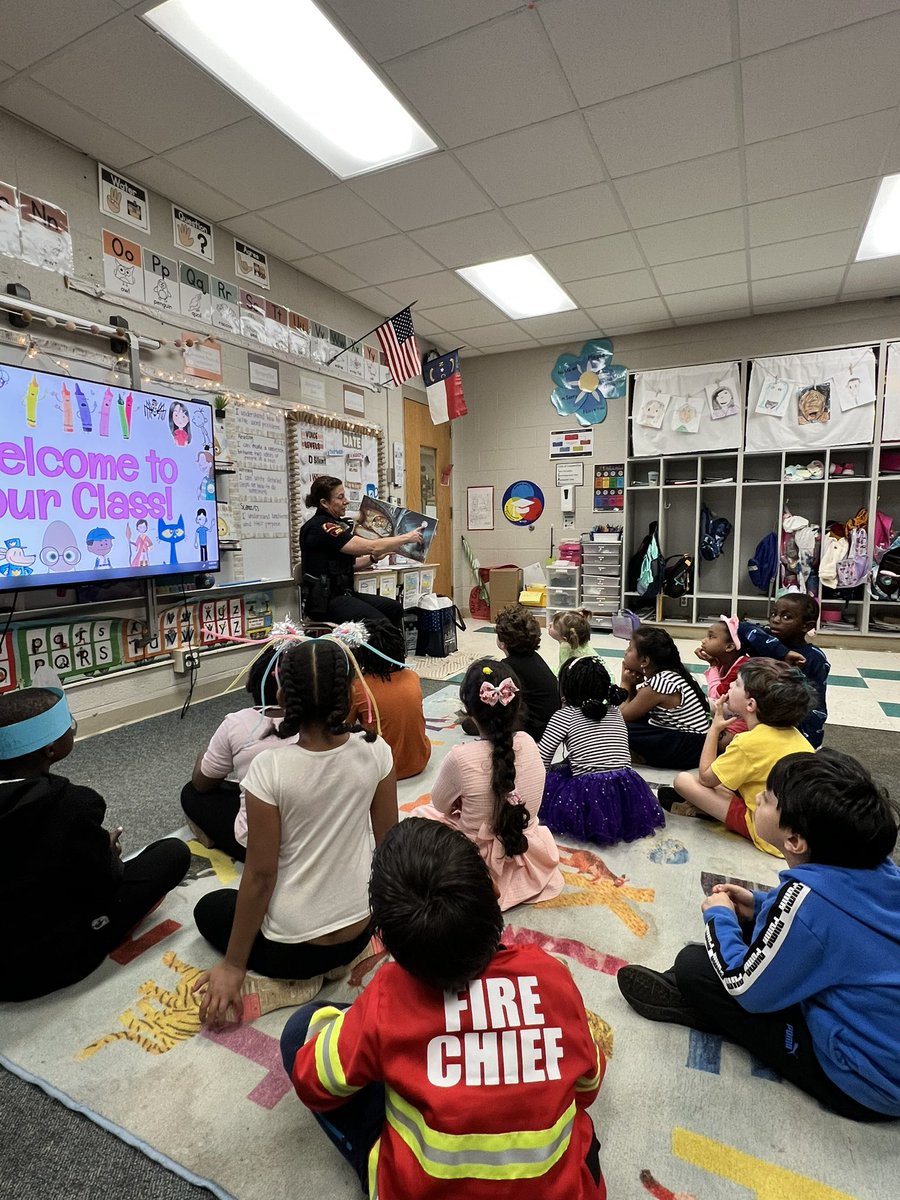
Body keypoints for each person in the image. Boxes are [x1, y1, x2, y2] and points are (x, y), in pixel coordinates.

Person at [281, 819, 607, 1198]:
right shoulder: (552, 977)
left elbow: (314, 1083)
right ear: (495, 888)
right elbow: (588, 1086)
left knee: (303, 1029)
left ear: (384, 940)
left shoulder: (387, 996)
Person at [617, 750, 900, 1121]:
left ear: (795, 840)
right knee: (762, 930)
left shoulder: (805, 901)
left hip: (864, 1081)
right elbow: (826, 927)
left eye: (766, 798)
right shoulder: (881, 869)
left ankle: (697, 1003)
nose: (755, 800)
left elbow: (744, 985)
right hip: (883, 1040)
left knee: (696, 965)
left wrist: (719, 917)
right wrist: (760, 903)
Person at [192, 638, 398, 1026]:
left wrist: (234, 965)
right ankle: (342, 965)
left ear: (284, 695)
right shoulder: (376, 750)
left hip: (294, 950)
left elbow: (260, 875)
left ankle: (296, 982)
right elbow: (390, 846)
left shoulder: (269, 769)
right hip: (362, 926)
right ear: (351, 693)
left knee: (209, 909)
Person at [0, 687, 190, 1001]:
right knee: (172, 854)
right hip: (51, 962)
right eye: (67, 726)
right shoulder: (74, 805)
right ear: (50, 749)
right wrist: (108, 853)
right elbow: (102, 882)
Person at [413, 658, 563, 910]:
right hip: (524, 843)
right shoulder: (528, 742)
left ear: (468, 709)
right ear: (516, 705)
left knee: (421, 815)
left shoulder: (460, 757)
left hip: (476, 859)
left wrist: (465, 804)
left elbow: (441, 805)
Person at [659, 660, 815, 855]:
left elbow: (706, 778)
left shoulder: (748, 742)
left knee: (683, 781)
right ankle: (708, 807)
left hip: (769, 833)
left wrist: (714, 729)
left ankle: (706, 808)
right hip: (802, 831)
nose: (731, 685)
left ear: (750, 704)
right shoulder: (796, 735)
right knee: (727, 779)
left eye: (737, 684)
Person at [180, 646, 298, 861]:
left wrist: (204, 754)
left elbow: (202, 783)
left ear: (251, 685)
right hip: (316, 837)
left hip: (263, 849)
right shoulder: (327, 726)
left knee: (191, 793)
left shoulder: (238, 722)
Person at [538, 656, 663, 846]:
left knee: (553, 778)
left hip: (587, 791)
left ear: (565, 688)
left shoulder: (565, 715)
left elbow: (541, 760)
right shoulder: (615, 711)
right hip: (625, 786)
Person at [298, 476, 423, 628]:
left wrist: (373, 559)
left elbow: (349, 566)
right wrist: (407, 537)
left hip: (343, 594)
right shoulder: (322, 528)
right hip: (323, 603)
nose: (346, 501)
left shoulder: (334, 524)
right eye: (340, 497)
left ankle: (392, 652)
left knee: (394, 608)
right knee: (379, 623)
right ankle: (374, 651)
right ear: (324, 503)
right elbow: (372, 546)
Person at [738, 594, 830, 748]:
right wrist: (782, 652)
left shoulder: (814, 658)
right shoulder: (765, 641)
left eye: (786, 617)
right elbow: (741, 627)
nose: (776, 620)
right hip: (754, 718)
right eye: (774, 614)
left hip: (789, 728)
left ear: (806, 626)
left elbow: (816, 704)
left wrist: (811, 744)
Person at [346, 618, 431, 780]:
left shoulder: (359, 687)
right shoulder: (413, 677)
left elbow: (344, 728)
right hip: (419, 761)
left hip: (382, 770)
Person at [618, 628, 710, 768]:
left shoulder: (658, 684)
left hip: (687, 748)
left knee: (614, 726)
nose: (625, 652)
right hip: (694, 743)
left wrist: (625, 683)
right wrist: (631, 686)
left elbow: (621, 716)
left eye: (630, 648)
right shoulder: (670, 673)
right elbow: (634, 709)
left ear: (644, 660)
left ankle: (640, 756)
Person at [494, 604, 559, 742]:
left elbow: (501, 703)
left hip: (534, 729)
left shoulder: (507, 666)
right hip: (552, 724)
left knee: (473, 723)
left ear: (503, 642)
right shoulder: (534, 657)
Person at [694, 615, 749, 741]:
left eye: (711, 637)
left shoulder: (741, 666)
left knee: (704, 704)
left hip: (745, 718)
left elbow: (716, 695)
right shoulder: (724, 662)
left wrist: (713, 666)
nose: (704, 641)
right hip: (734, 711)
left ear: (729, 647)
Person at [548, 608, 596, 672]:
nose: (549, 624)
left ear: (564, 638)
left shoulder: (565, 646)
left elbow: (563, 670)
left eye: (553, 626)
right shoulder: (580, 640)